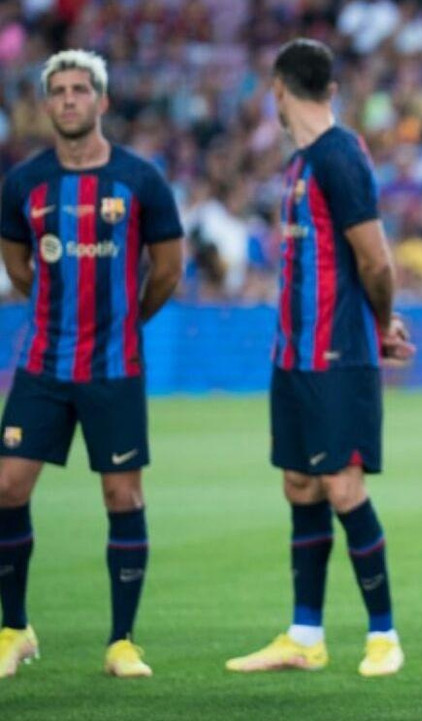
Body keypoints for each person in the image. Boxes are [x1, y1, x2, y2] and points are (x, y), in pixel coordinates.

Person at [225, 38, 414, 678]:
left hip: (338, 351)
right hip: (294, 354)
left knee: (341, 485)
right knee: (300, 484)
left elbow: (376, 259)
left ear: (278, 89)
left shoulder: (338, 156)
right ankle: (305, 635)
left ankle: (384, 635)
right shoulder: (301, 162)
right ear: (329, 88)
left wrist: (382, 324)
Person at [0, 49, 183, 679]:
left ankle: (122, 641)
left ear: (102, 101)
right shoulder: (24, 182)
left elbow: (168, 269)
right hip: (43, 365)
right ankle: (14, 628)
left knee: (122, 494)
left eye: (81, 89)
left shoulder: (141, 180)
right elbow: (19, 266)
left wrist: (125, 320)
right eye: (59, 91)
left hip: (114, 367)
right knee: (5, 487)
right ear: (47, 103)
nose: (70, 99)